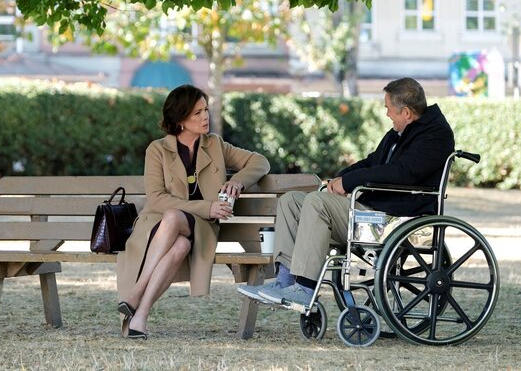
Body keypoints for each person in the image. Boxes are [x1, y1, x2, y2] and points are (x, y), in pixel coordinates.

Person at [237, 77, 454, 308]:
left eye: (389, 109)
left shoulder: (435, 136)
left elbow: (401, 173)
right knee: (291, 201)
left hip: (394, 218)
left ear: (407, 113)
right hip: (374, 210)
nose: (387, 114)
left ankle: (305, 288)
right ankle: (284, 282)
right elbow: (373, 162)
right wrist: (340, 178)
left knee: (318, 203)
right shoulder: (399, 132)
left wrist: (350, 182)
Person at [116, 84, 270, 339]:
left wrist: (237, 181)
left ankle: (135, 293)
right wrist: (207, 206)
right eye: (197, 112)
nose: (205, 116)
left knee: (176, 217)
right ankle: (141, 314)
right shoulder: (157, 150)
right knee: (179, 246)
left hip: (202, 226)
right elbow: (156, 199)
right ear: (179, 118)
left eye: (206, 110)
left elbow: (260, 161)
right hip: (158, 224)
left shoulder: (215, 145)